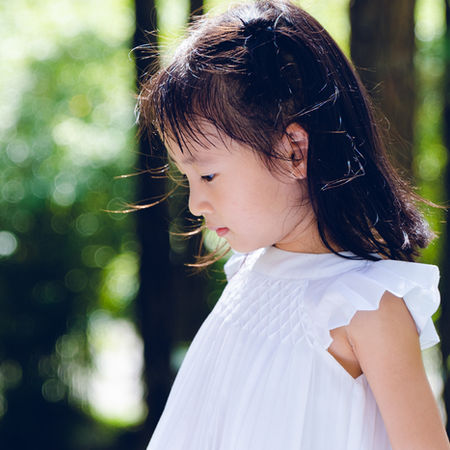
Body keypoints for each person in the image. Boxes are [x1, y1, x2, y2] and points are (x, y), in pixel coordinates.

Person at [138, 1, 450, 448]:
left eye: (207, 175)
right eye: (187, 178)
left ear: (293, 151)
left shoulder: (364, 307)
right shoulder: (248, 270)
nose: (196, 203)